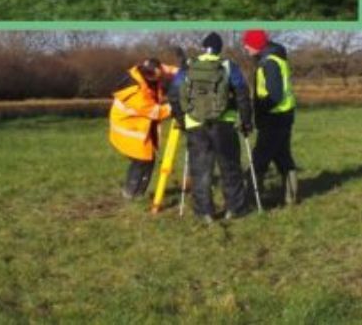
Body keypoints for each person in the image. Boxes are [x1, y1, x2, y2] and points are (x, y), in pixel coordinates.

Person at [170, 33, 253, 223]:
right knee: (230, 168)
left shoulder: (188, 66)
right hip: (224, 124)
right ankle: (235, 209)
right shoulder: (228, 66)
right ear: (219, 48)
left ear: (203, 46)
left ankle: (204, 213)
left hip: (195, 125)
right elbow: (242, 95)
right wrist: (247, 121)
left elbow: (174, 94)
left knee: (200, 171)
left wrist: (182, 120)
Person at [243, 30, 299, 205]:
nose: (245, 47)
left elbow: (275, 95)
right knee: (283, 158)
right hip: (283, 116)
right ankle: (291, 197)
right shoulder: (273, 59)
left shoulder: (269, 63)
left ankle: (251, 199)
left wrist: (259, 110)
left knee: (259, 159)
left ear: (257, 45)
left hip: (274, 118)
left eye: (248, 44)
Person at [108, 58, 175, 199]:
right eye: (156, 78)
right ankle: (131, 193)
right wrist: (174, 107)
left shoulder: (148, 69)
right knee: (141, 160)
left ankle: (138, 193)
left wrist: (185, 72)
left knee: (148, 159)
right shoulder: (136, 92)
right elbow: (155, 112)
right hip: (129, 129)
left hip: (138, 124)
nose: (159, 80)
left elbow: (168, 70)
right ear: (147, 74)